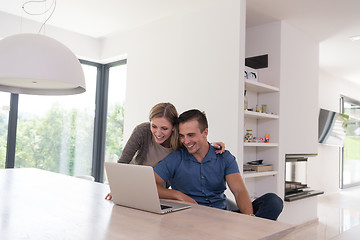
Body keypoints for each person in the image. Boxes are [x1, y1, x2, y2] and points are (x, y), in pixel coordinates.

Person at [154, 109, 283, 220]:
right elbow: (149, 184)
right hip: (191, 219)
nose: (186, 141)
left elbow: (239, 191)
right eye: (182, 136)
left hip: (223, 216)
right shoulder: (175, 159)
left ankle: (252, 233)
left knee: (273, 201)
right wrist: (177, 194)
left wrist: (248, 220)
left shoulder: (224, 157)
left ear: (205, 133)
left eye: (191, 135)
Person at [105, 103, 225, 200]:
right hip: (133, 183)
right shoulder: (142, 131)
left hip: (158, 191)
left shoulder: (180, 141)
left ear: (174, 128)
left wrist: (210, 144)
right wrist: (117, 188)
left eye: (164, 128)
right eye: (154, 126)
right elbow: (122, 163)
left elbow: (194, 144)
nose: (158, 133)